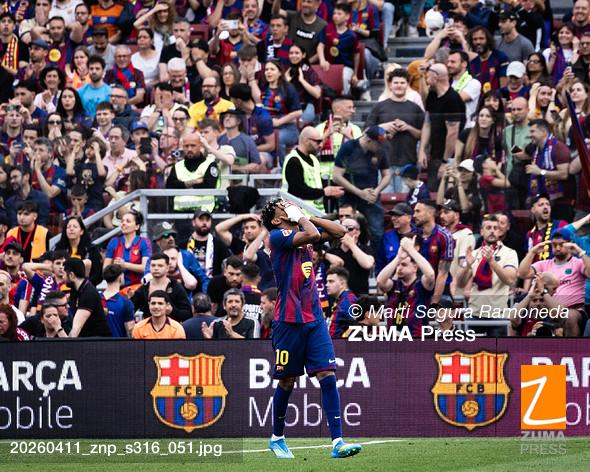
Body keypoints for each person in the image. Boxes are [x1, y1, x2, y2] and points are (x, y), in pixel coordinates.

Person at [260, 197, 361, 459]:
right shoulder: (277, 236)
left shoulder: (302, 231)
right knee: (287, 380)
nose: (287, 206)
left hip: (314, 319)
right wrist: (300, 217)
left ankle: (338, 442)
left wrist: (306, 215)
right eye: (282, 207)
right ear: (276, 219)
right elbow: (314, 234)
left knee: (327, 373)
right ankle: (277, 437)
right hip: (288, 320)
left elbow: (340, 231)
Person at [517, 231, 590, 336]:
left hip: (573, 310)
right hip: (547, 311)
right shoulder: (544, 264)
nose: (558, 248)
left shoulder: (578, 263)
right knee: (517, 317)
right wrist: (532, 252)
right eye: (554, 245)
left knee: (569, 316)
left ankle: (572, 347)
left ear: (570, 244)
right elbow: (521, 273)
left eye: (561, 244)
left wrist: (580, 252)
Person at [456, 214, 518, 335]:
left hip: (498, 315)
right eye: (488, 228)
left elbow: (510, 280)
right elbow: (460, 283)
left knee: (498, 348)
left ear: (500, 232)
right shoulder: (473, 254)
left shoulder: (509, 253)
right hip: (474, 314)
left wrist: (491, 261)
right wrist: (467, 265)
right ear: (481, 231)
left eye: (495, 228)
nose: (492, 231)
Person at [332, 126, 391, 250]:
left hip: (371, 197)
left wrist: (377, 191)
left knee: (377, 233)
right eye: (378, 144)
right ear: (369, 140)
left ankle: (375, 259)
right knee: (345, 229)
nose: (380, 147)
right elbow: (336, 176)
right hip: (349, 197)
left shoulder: (380, 151)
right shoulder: (349, 148)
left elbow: (387, 175)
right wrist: (359, 193)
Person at [366, 68, 424, 193]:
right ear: (390, 85)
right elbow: (367, 131)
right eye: (396, 82)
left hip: (408, 161)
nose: (399, 85)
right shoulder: (380, 106)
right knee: (385, 199)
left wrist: (408, 127)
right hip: (383, 162)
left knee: (406, 200)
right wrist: (384, 126)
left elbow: (422, 135)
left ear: (407, 85)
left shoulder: (415, 108)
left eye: (402, 83)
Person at [419, 63, 465, 192]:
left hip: (449, 156)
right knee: (432, 191)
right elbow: (428, 123)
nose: (427, 79)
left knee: (447, 194)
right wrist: (422, 149)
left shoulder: (453, 99)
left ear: (436, 77)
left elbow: (452, 134)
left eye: (428, 76)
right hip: (434, 153)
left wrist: (445, 162)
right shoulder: (433, 95)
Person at [376, 236, 436, 337]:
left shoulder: (421, 285)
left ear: (415, 268)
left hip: (417, 337)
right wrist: (398, 258)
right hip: (394, 337)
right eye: (398, 265)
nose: (399, 268)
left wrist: (411, 251)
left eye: (403, 265)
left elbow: (430, 274)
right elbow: (380, 281)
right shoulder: (394, 285)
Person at [282, 127, 344, 212]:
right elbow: (297, 190)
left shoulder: (314, 159)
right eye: (318, 141)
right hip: (299, 213)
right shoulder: (293, 160)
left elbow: (317, 183)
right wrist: (324, 192)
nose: (321, 145)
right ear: (306, 141)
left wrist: (332, 189)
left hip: (316, 212)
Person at [526, 119, 573, 220]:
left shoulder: (558, 147)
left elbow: (564, 174)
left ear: (543, 132)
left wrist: (540, 172)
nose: (529, 135)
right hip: (544, 202)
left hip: (561, 203)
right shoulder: (537, 151)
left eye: (532, 131)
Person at [413, 200, 454, 306]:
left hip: (440, 289)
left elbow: (443, 273)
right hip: (417, 287)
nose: (414, 215)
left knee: (444, 312)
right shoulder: (413, 235)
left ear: (430, 213)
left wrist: (434, 303)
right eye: (414, 212)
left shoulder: (445, 237)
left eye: (418, 211)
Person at [166, 133, 219, 213]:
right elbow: (170, 186)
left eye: (193, 146)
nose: (189, 149)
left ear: (200, 146)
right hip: (180, 213)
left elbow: (208, 185)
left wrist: (182, 185)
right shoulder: (177, 166)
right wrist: (193, 182)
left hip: (204, 213)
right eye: (186, 146)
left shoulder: (210, 164)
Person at [131, 253, 192, 322]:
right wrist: (128, 301)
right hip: (148, 327)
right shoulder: (143, 289)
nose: (156, 268)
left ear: (167, 268)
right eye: (153, 265)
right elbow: (130, 310)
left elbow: (188, 314)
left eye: (160, 265)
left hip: (171, 327)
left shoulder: (176, 287)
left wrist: (172, 311)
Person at [64, 258, 112, 337]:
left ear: (71, 275)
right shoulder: (76, 288)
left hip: (97, 341)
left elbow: (76, 329)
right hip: (87, 339)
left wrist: (65, 345)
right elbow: (87, 262)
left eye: (64, 274)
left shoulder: (88, 293)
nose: (63, 278)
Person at [103, 211, 152, 287]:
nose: (123, 223)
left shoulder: (144, 242)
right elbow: (105, 268)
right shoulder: (114, 242)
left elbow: (145, 267)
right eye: (122, 221)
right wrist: (114, 267)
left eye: (128, 221)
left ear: (137, 226)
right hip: (117, 286)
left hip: (139, 287)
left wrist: (125, 265)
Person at [327, 217, 374, 296]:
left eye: (350, 229)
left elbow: (368, 264)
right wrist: (325, 255)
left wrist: (351, 245)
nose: (345, 232)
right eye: (342, 228)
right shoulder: (332, 251)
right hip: (337, 298)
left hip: (359, 297)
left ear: (358, 232)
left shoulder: (365, 249)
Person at [183, 209, 230, 278]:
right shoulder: (183, 245)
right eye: (201, 219)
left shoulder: (219, 245)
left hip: (212, 283)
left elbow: (228, 266)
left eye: (207, 220)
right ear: (193, 222)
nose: (204, 223)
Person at [447, 50, 481, 128]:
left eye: (453, 62)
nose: (448, 65)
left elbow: (455, 100)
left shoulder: (473, 83)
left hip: (466, 129)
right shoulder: (448, 83)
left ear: (464, 64)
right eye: (448, 62)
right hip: (447, 127)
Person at [376, 203, 415, 273]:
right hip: (392, 277)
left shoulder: (419, 235)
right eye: (392, 216)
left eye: (397, 215)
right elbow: (380, 262)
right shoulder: (387, 237)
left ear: (409, 218)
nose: (393, 218)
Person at [101, 264, 135, 338]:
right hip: (118, 344)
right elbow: (130, 331)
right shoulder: (126, 303)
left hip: (95, 344)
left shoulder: (96, 298)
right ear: (120, 278)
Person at [326, 267, 357, 338]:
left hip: (340, 344)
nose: (327, 285)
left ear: (342, 284)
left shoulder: (348, 300)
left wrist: (343, 339)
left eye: (331, 281)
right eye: (327, 281)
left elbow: (356, 326)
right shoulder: (341, 300)